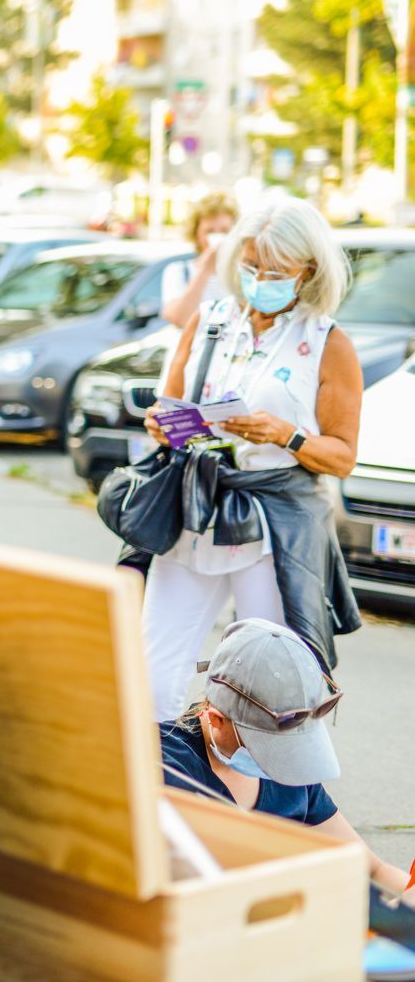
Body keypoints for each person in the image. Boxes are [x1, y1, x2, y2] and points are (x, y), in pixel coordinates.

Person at [141, 198, 362, 721]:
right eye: (250, 265)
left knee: (271, 681)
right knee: (155, 669)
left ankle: (270, 794)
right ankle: (162, 781)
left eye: (276, 270)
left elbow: (343, 456)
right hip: (196, 508)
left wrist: (286, 435)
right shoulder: (212, 320)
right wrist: (162, 424)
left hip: (274, 522)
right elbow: (168, 404)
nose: (260, 278)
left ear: (307, 270)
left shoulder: (327, 342)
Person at [160, 618, 414, 902]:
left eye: (291, 748)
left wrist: (407, 894)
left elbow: (373, 870)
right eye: (270, 749)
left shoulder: (295, 771)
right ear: (216, 719)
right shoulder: (163, 767)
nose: (283, 764)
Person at [160, 193, 238, 330]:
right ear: (196, 233)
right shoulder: (179, 271)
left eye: (225, 231)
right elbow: (179, 319)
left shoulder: (243, 272)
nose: (218, 237)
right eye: (209, 231)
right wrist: (204, 271)